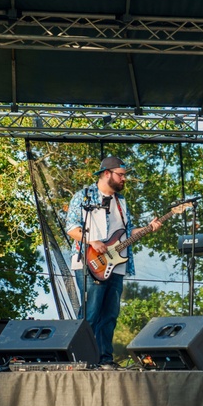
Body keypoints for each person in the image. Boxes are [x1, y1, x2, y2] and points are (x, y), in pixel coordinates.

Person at [66, 156, 162, 367]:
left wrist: (148, 228)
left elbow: (127, 233)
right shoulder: (84, 196)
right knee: (90, 313)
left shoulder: (121, 202)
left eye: (124, 176)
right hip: (91, 264)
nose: (124, 179)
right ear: (106, 173)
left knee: (110, 316)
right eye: (121, 175)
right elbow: (71, 228)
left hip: (116, 265)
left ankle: (105, 359)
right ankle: (83, 358)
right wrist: (91, 240)